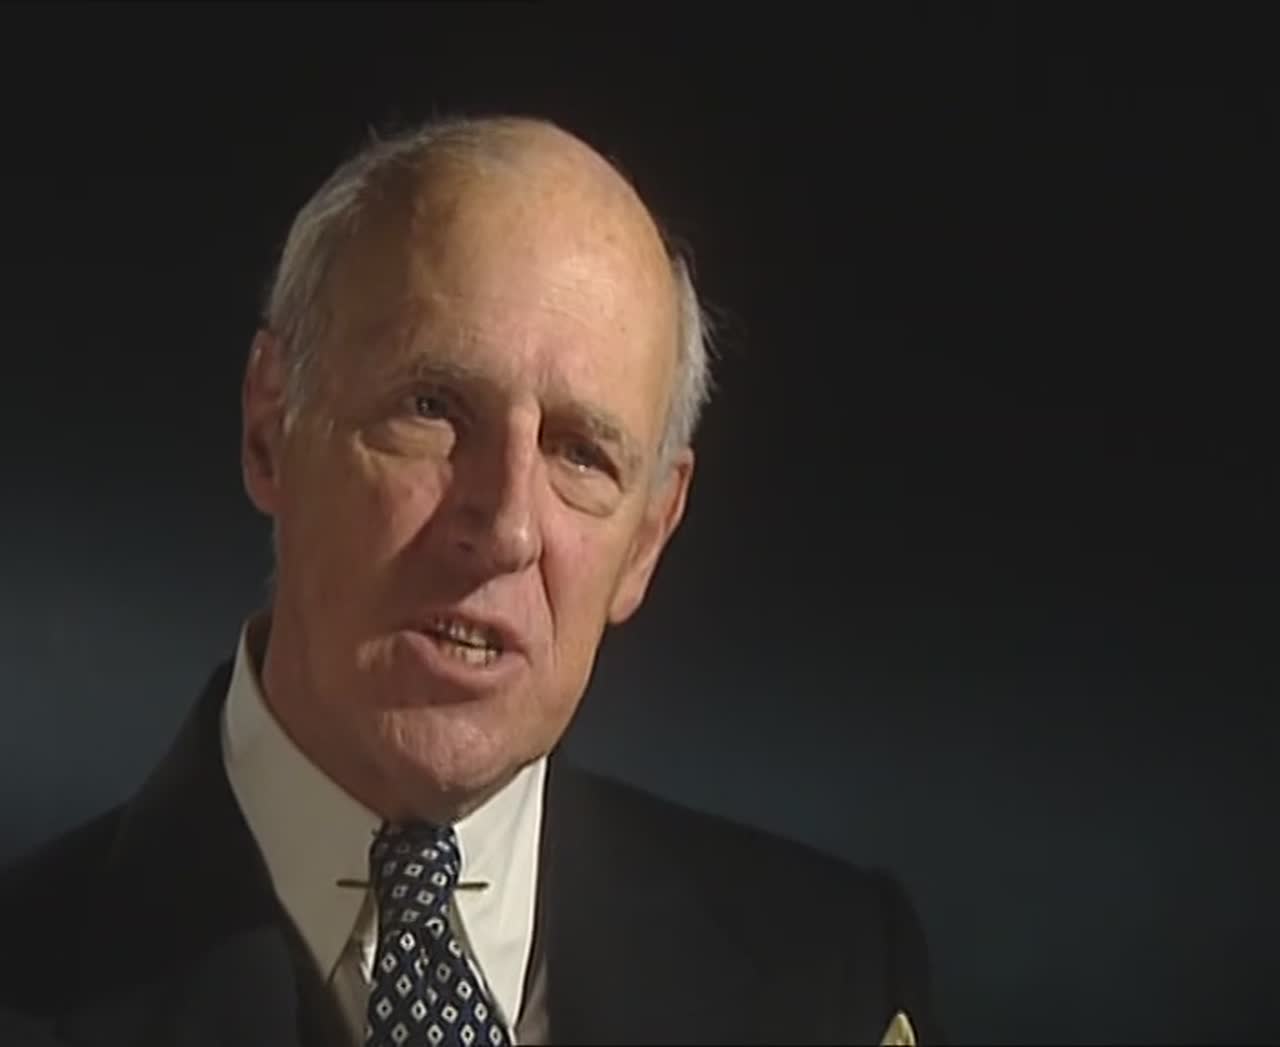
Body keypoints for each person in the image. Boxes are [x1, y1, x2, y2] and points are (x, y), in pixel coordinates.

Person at [0, 115, 942, 1046]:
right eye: (433, 407)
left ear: (648, 538)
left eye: (581, 453)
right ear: (270, 427)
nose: (506, 528)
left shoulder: (838, 985)